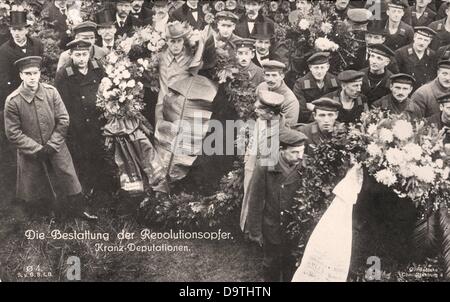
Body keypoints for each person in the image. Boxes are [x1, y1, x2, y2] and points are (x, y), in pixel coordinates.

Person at [3, 56, 95, 220]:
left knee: (68, 177)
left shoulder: (51, 92)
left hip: (56, 146)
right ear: (21, 75)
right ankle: (45, 213)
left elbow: (64, 119)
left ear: (40, 73)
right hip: (31, 152)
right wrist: (37, 149)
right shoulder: (13, 101)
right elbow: (13, 133)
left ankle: (77, 209)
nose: (32, 77)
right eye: (28, 73)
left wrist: (52, 144)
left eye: (35, 73)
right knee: (36, 184)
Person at [245, 121, 308, 282]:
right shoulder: (266, 166)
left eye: (302, 151)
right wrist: (255, 231)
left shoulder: (305, 165)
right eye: (294, 152)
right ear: (281, 150)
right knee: (271, 263)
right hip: (272, 225)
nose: (299, 156)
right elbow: (256, 199)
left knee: (291, 262)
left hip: (294, 226)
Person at [54, 40, 112, 199]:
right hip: (77, 124)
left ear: (89, 54)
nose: (81, 58)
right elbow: (60, 104)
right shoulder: (64, 74)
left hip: (98, 120)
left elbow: (107, 88)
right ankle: (84, 190)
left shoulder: (97, 67)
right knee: (81, 157)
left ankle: (103, 188)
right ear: (71, 55)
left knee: (99, 154)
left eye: (84, 54)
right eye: (77, 55)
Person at [293, 52, 339, 123]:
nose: (319, 71)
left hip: (331, 121)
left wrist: (313, 107)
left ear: (327, 67)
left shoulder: (335, 81)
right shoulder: (300, 84)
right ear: (310, 68)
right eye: (316, 68)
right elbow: (302, 111)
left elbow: (337, 105)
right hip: (309, 122)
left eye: (322, 67)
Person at [256, 60, 300, 127]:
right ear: (264, 76)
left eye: (274, 75)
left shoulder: (290, 100)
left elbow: (289, 127)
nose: (270, 79)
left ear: (282, 76)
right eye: (267, 75)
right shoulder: (261, 87)